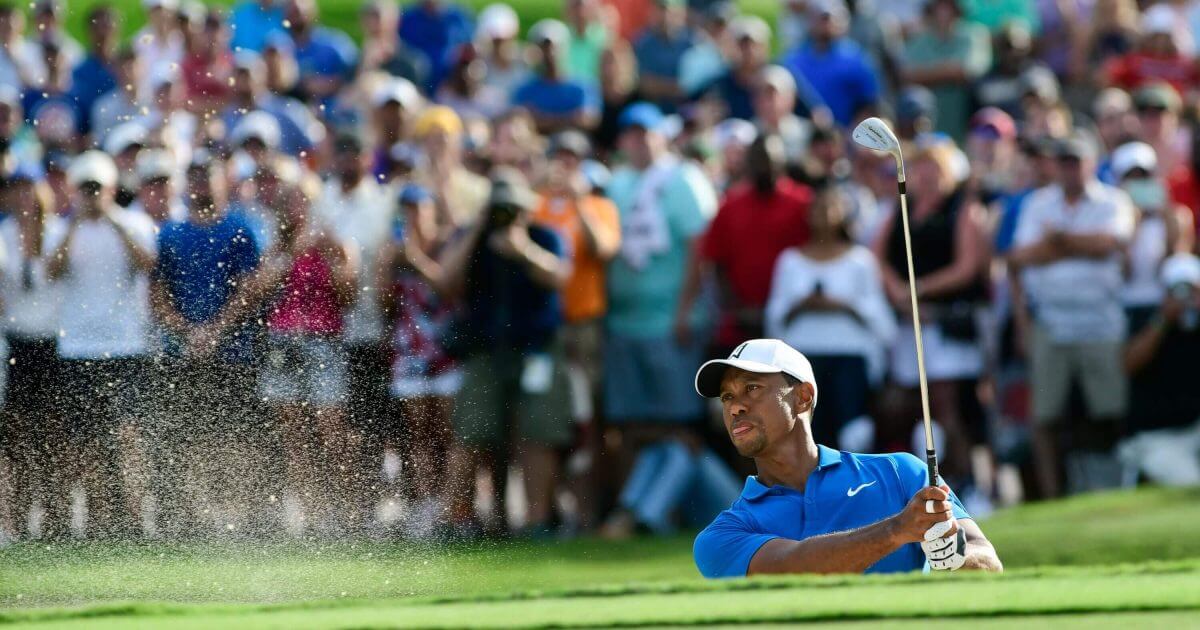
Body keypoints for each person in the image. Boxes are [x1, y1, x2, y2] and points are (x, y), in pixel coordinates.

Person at [691, 338, 1002, 576]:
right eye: (728, 396)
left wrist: (954, 555)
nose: (735, 407)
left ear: (803, 397)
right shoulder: (722, 536)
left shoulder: (900, 472)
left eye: (752, 388)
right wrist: (897, 530)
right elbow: (796, 568)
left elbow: (988, 560)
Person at [439, 169, 573, 537]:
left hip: (538, 350)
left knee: (538, 434)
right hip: (486, 350)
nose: (506, 216)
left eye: (512, 208)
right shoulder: (474, 241)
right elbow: (444, 282)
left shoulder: (545, 236)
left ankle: (536, 521)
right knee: (471, 432)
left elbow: (561, 277)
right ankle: (455, 521)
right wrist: (475, 233)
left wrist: (523, 249)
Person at [1008, 134, 1136, 498]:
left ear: (1092, 163)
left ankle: (1114, 488)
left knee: (1109, 410)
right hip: (1051, 321)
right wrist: (1082, 245)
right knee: (1045, 415)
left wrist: (1057, 241)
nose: (1069, 168)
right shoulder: (1038, 203)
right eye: (1063, 161)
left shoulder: (1114, 200)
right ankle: (1052, 495)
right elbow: (1019, 258)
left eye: (1075, 161)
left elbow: (1111, 243)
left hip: (1101, 321)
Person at [150, 153, 263, 537]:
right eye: (193, 176)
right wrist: (187, 331)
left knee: (234, 437)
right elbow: (158, 294)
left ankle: (234, 516)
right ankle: (193, 517)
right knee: (188, 436)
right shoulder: (170, 233)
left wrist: (215, 330)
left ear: (222, 181)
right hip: (182, 352)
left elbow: (250, 290)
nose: (200, 183)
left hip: (233, 352)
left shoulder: (240, 229)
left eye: (206, 175)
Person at [47, 151, 158, 539]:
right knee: (86, 443)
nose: (91, 195)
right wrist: (76, 223)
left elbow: (146, 264)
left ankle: (134, 519)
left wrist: (111, 219)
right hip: (78, 347)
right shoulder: (63, 229)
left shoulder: (135, 223)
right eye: (85, 188)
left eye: (97, 188)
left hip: (125, 346)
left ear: (111, 188)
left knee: (129, 436)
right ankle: (98, 521)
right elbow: (52, 270)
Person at [872, 142, 988, 483]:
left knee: (948, 404)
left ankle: (966, 481)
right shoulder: (900, 209)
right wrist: (898, 292)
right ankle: (918, 484)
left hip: (947, 322)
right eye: (921, 168)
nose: (927, 176)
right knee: (910, 405)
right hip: (908, 324)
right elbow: (876, 256)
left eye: (935, 168)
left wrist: (918, 290)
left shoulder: (962, 208)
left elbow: (967, 267)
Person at [258, 180, 359, 536]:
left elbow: (349, 295)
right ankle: (312, 517)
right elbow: (259, 290)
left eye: (302, 203)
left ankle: (347, 512)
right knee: (296, 436)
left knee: (332, 430)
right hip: (283, 342)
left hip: (323, 341)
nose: (296, 211)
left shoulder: (332, 246)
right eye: (289, 204)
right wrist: (290, 255)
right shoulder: (276, 249)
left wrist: (331, 256)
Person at [532, 131, 622, 530]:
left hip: (585, 326)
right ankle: (549, 513)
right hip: (547, 328)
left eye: (573, 159)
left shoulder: (599, 206)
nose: (565, 167)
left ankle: (589, 515)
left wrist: (578, 201)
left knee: (591, 423)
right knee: (548, 424)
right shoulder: (536, 208)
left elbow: (601, 249)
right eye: (560, 158)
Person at [764, 190, 897, 451]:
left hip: (849, 358)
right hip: (804, 358)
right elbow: (776, 313)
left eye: (831, 207)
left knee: (853, 432)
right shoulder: (790, 260)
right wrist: (802, 306)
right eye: (818, 208)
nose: (824, 215)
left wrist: (843, 306)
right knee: (809, 430)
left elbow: (877, 313)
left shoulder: (860, 261)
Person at [312, 134, 394, 529]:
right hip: (327, 333)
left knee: (373, 424)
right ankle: (342, 508)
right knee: (334, 425)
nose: (347, 159)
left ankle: (371, 508)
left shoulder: (381, 204)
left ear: (366, 157)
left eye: (354, 151)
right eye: (341, 152)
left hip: (371, 329)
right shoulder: (321, 202)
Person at [677, 133, 812, 355]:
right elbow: (717, 263)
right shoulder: (731, 205)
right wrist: (738, 309)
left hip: (793, 323)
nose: (765, 167)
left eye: (771, 160)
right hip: (740, 325)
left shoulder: (803, 202)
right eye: (759, 160)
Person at [378, 184, 462, 539]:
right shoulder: (396, 251)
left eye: (419, 207)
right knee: (418, 435)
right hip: (410, 352)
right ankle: (426, 506)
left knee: (447, 431)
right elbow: (384, 304)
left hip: (444, 350)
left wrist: (415, 260)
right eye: (407, 208)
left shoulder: (447, 244)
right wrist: (387, 264)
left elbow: (449, 287)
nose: (414, 215)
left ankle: (450, 504)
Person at [0, 163, 68, 540]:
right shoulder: (4, 233)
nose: (23, 196)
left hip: (53, 340)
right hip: (17, 340)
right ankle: (21, 518)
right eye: (16, 188)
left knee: (55, 434)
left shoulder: (58, 231)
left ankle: (56, 516)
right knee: (18, 436)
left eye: (29, 187)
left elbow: (58, 273)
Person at [900, 0, 992, 143]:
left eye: (949, 6)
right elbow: (907, 74)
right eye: (940, 6)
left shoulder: (973, 34)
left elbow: (968, 70)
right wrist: (948, 71)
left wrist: (928, 74)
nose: (944, 12)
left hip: (964, 116)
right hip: (930, 120)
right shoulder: (921, 38)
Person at [778, 0, 879, 127]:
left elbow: (868, 103)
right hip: (805, 136)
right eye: (821, 19)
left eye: (829, 18)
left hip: (849, 136)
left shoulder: (857, 59)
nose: (826, 24)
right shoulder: (792, 59)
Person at [512, 20, 600, 134]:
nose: (550, 53)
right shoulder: (524, 89)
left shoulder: (584, 86)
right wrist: (570, 118)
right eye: (544, 48)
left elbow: (588, 120)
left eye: (555, 47)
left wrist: (541, 118)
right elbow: (520, 122)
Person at [631, 0, 696, 111]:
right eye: (661, 10)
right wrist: (675, 87)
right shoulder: (642, 43)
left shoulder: (694, 42)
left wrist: (660, 85)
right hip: (653, 111)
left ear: (682, 12)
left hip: (687, 112)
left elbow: (691, 86)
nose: (665, 16)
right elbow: (644, 85)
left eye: (670, 11)